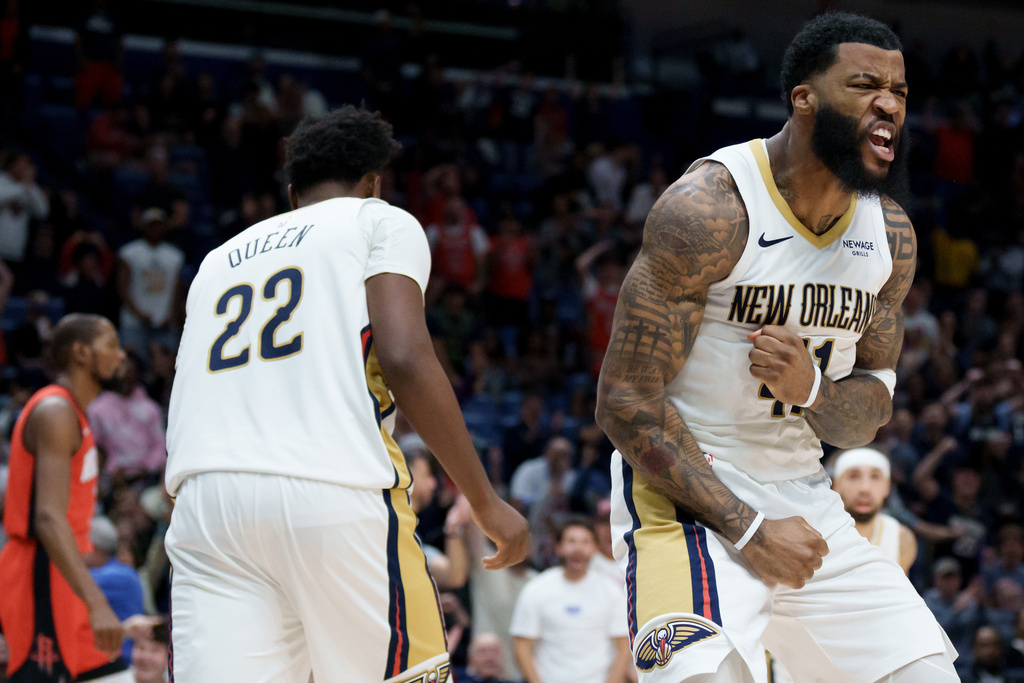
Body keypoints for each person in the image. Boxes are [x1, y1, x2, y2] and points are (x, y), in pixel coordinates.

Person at [594, 12, 958, 683]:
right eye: (865, 84)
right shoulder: (711, 207)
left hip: (805, 494)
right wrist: (750, 530)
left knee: (927, 671)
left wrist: (813, 389)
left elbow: (867, 416)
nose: (889, 103)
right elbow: (624, 401)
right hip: (689, 494)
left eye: (900, 91)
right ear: (805, 97)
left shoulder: (889, 238)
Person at [163, 105, 529, 683]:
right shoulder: (378, 221)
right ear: (372, 184)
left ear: (291, 194)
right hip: (330, 486)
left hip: (205, 506)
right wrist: (484, 501)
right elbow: (406, 359)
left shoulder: (214, 262)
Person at [0, 313, 131, 682]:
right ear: (80, 353)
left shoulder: (75, 413)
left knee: (116, 673)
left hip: (66, 573)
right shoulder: (56, 411)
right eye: (111, 345)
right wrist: (98, 601)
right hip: (38, 571)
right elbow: (48, 519)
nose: (121, 355)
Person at [510, 517, 630, 683]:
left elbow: (624, 648)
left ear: (595, 548)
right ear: (558, 547)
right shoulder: (536, 588)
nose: (578, 549)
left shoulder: (611, 590)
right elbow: (521, 645)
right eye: (571, 541)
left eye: (585, 542)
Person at [831, 447, 916, 573]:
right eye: (854, 476)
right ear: (836, 485)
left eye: (875, 477)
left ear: (887, 487)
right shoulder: (817, 533)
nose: (865, 488)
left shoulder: (901, 538)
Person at [85, 516, 144, 664]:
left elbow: (71, 583)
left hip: (121, 662)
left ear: (92, 547)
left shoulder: (119, 575)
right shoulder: (117, 571)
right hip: (110, 659)